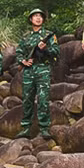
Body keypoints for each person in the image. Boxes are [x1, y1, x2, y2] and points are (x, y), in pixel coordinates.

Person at [15, 9, 59, 139]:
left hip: (43, 69)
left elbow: (56, 51)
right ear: (31, 19)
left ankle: (44, 128)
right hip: (29, 71)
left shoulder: (49, 35)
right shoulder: (26, 36)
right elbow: (19, 51)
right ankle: (26, 128)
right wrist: (23, 61)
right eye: (35, 16)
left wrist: (45, 49)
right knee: (27, 99)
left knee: (43, 99)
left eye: (40, 16)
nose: (38, 18)